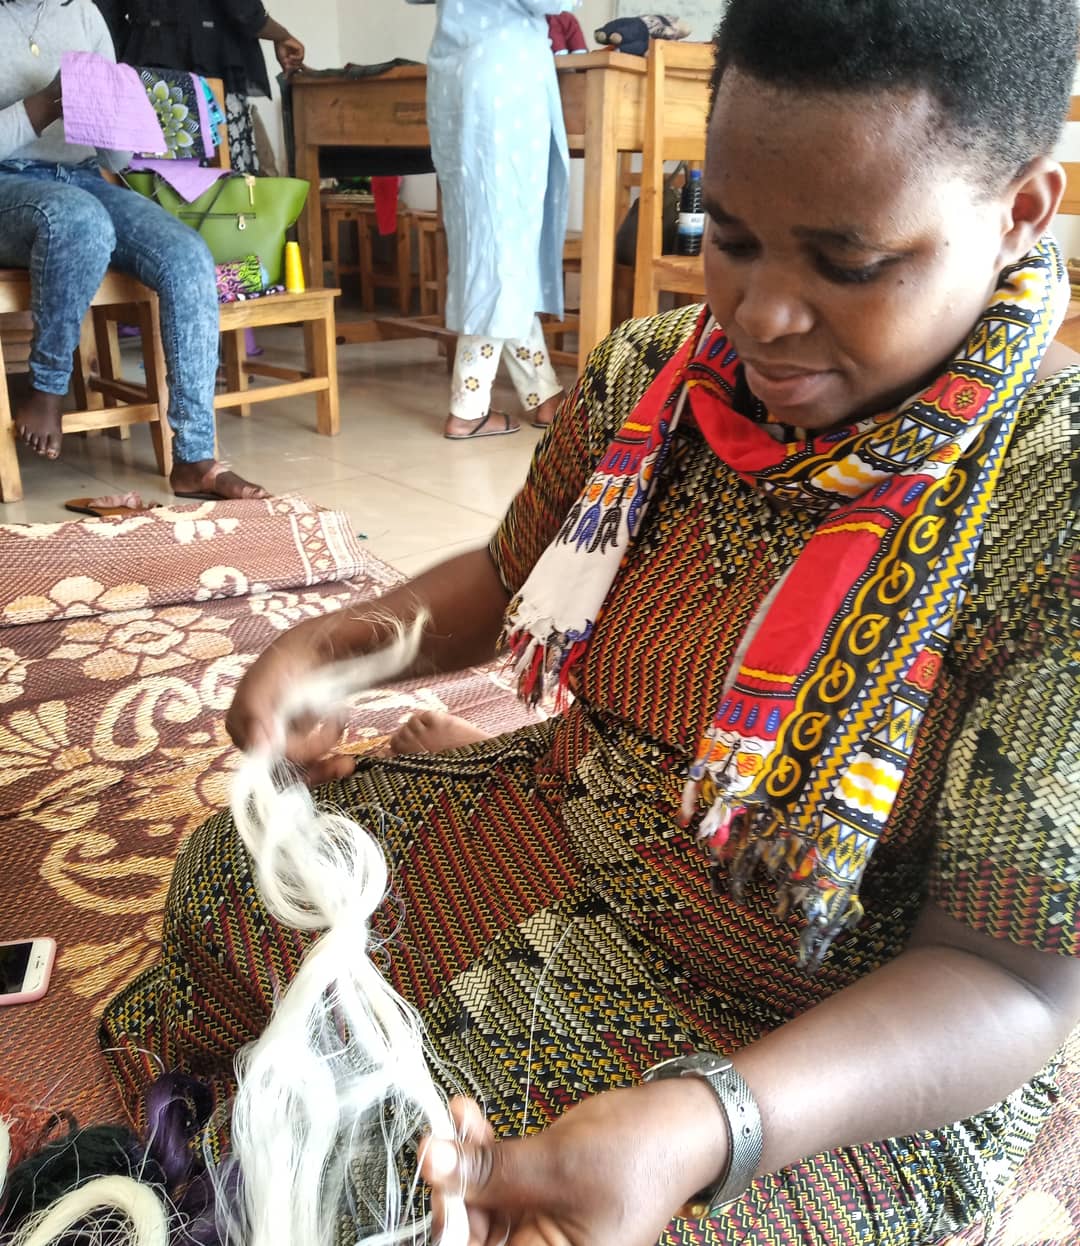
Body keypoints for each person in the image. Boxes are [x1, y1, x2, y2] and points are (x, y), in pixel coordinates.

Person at [102, 1, 1080, 1243]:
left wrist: (706, 1122)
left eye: (847, 263)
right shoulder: (661, 381)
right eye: (727, 235)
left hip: (834, 1023)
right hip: (584, 824)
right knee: (233, 882)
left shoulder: (1054, 498)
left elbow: (1014, 980)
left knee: (483, 1186)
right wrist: (323, 654)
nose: (763, 314)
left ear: (1024, 210)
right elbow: (509, 578)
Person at [0, 0, 267, 499]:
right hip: (8, 185)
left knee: (187, 255)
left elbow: (114, 157)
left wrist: (119, 114)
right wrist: (47, 103)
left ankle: (194, 457)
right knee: (80, 220)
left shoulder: (81, 14)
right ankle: (49, 386)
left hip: (81, 179)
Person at [409, 0, 569, 439]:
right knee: (502, 247)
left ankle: (543, 393)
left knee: (490, 242)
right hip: (504, 79)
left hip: (456, 80)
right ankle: (469, 406)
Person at [97, 0, 304, 175]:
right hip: (208, 67)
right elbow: (243, 10)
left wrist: (136, 48)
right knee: (216, 183)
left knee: (152, 179)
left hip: (143, 72)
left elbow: (104, 12)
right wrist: (281, 35)